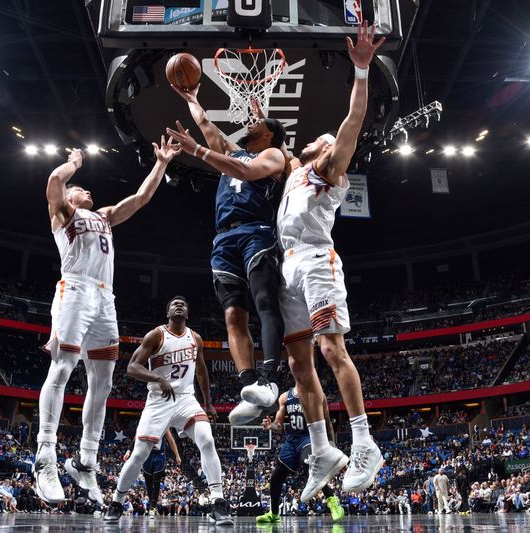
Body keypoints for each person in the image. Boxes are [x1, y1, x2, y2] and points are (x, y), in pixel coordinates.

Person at [267, 22, 385, 501]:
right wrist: (256, 111)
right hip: (287, 268)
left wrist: (361, 71)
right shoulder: (295, 170)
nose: (317, 139)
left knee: (333, 351)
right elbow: (273, 138)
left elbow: (352, 122)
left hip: (317, 260)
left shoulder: (329, 168)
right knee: (299, 366)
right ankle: (321, 450)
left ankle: (363, 443)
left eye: (322, 138)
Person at [34, 137, 181, 505]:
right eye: (80, 190)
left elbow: (142, 198)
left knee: (103, 381)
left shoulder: (103, 217)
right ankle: (45, 455)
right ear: (70, 198)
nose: (87, 191)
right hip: (76, 289)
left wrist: (161, 163)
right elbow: (54, 181)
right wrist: (74, 163)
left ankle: (86, 461)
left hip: (104, 296)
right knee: (64, 366)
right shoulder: (64, 214)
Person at [168, 80, 288, 426]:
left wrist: (198, 152)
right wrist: (192, 99)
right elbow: (206, 126)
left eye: (258, 124)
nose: (249, 125)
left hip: (255, 231)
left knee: (264, 300)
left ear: (269, 135)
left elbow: (247, 172)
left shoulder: (273, 155)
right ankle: (249, 387)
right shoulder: (234, 151)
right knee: (233, 315)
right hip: (223, 239)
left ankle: (268, 376)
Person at [104, 296, 233, 525]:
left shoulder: (196, 338)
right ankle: (116, 501)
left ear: (188, 313)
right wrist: (156, 377)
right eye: (174, 303)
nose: (179, 305)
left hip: (185, 398)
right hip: (159, 400)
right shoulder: (156, 335)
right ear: (168, 313)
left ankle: (218, 502)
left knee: (207, 440)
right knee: (140, 453)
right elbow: (132, 367)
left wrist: (208, 402)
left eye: (183, 303)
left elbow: (202, 371)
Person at [255, 385, 344, 524]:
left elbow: (327, 420)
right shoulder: (285, 397)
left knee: (309, 466)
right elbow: (278, 425)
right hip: (292, 440)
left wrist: (331, 442)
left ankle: (333, 501)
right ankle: (273, 513)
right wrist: (270, 426)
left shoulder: (317, 394)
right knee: (276, 478)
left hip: (309, 437)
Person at [122, 430, 182, 519]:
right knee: (148, 482)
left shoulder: (164, 424)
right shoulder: (146, 422)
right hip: (147, 454)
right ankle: (152, 505)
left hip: (159, 455)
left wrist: (177, 455)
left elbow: (170, 440)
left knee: (156, 481)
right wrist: (129, 450)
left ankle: (152, 508)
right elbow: (137, 436)